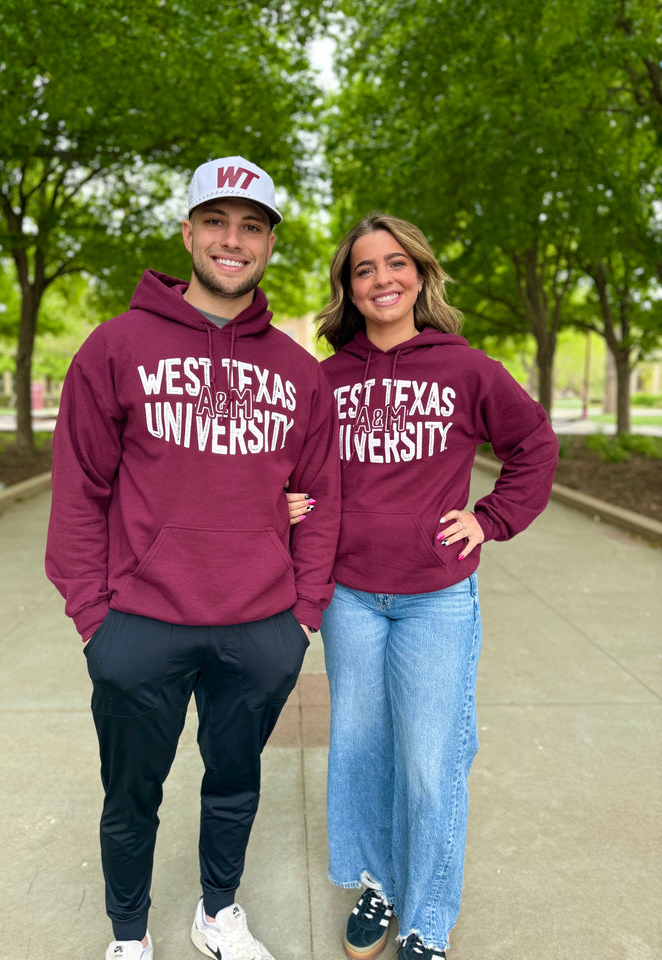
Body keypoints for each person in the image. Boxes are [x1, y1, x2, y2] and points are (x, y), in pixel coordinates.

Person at [45, 156, 341, 960]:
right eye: (216, 220)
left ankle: (217, 912)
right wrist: (92, 619)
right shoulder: (115, 348)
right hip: (140, 623)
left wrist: (302, 616)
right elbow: (78, 493)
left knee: (235, 787)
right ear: (188, 231)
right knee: (131, 794)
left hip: (259, 626)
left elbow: (320, 496)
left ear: (270, 244)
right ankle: (129, 934)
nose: (232, 239)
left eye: (252, 225)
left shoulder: (296, 372)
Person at [289, 212, 558, 959]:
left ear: (422, 274)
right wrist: (283, 504)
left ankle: (427, 919)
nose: (383, 279)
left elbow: (533, 443)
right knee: (361, 746)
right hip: (350, 596)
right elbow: (288, 467)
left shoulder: (465, 368)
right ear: (348, 285)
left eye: (396, 263)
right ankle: (377, 883)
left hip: (436, 596)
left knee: (430, 756)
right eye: (365, 268)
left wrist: (490, 518)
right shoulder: (326, 378)